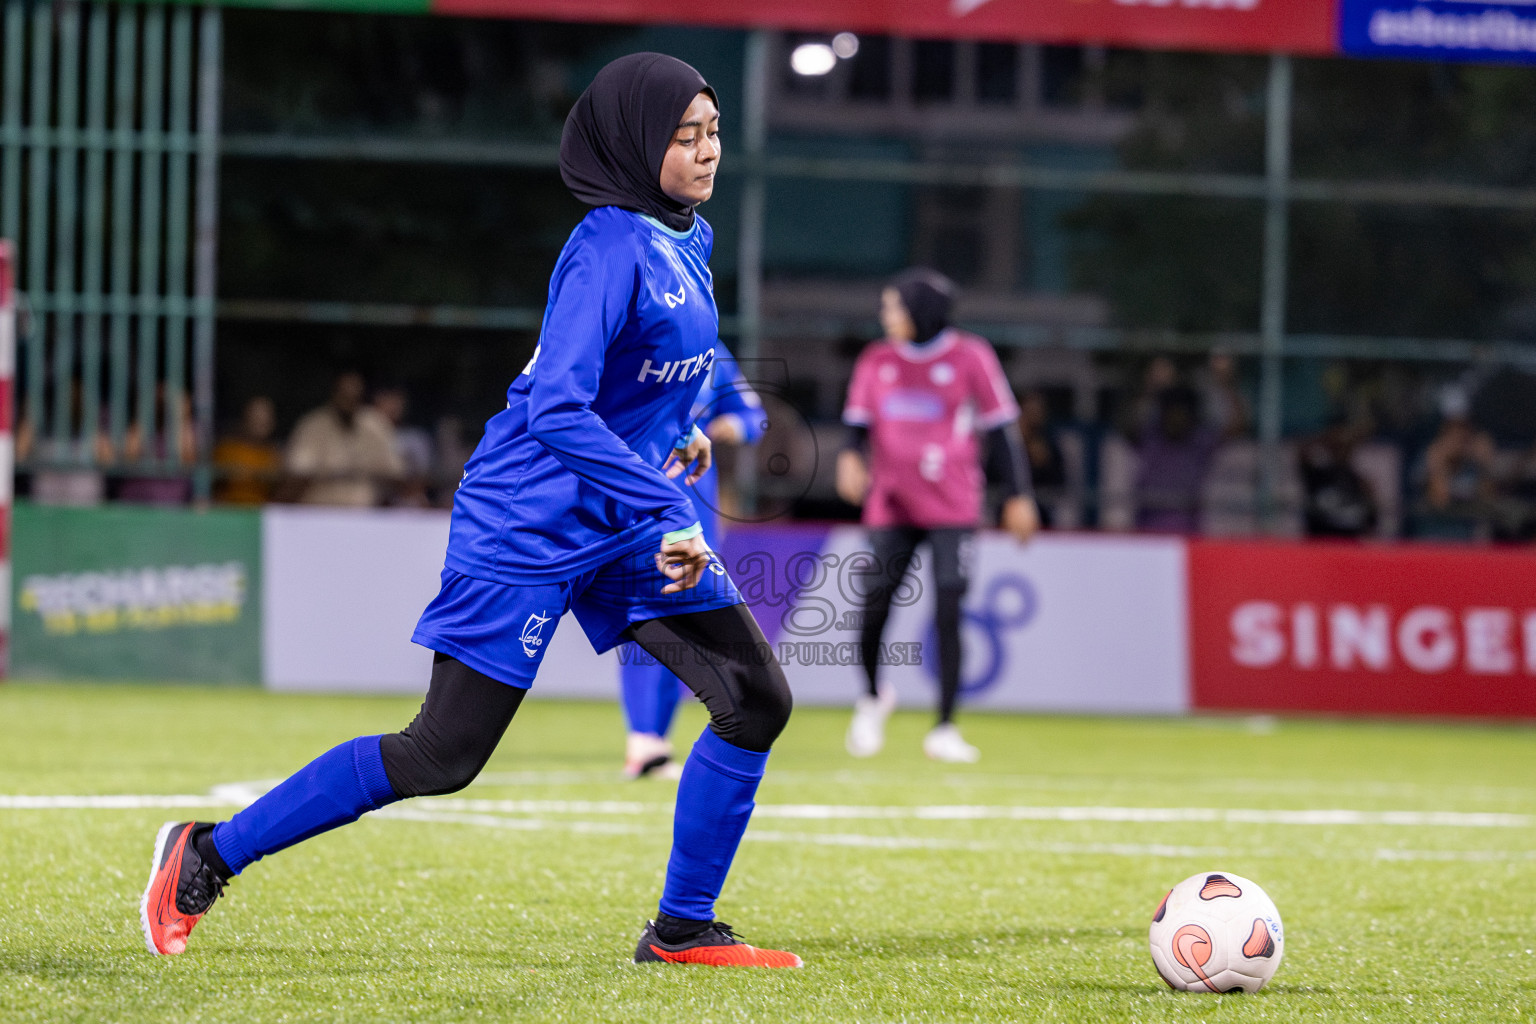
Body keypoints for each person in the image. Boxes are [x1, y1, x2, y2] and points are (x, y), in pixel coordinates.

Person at [140, 53, 801, 970]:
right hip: (529, 516)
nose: (707, 151)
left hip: (623, 513)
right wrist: (666, 496)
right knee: (441, 754)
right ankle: (205, 854)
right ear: (634, 142)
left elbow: (651, 374)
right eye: (684, 136)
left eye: (714, 131)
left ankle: (682, 929)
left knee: (754, 699)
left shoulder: (682, 236)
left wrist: (680, 439)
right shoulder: (608, 243)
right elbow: (560, 407)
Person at [836, 268, 1039, 764]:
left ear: (920, 313)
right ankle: (872, 697)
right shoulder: (877, 359)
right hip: (891, 503)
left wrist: (1018, 494)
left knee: (949, 611)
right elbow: (855, 427)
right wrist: (849, 457)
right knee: (874, 605)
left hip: (953, 505)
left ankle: (945, 726)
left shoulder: (971, 356)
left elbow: (1003, 429)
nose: (885, 316)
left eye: (893, 307)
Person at [620, 352, 763, 778]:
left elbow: (755, 417)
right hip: (635, 503)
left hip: (696, 511)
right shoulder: (633, 340)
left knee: (687, 618)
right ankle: (643, 735)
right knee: (642, 612)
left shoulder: (713, 352)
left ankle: (655, 739)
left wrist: (729, 426)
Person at [282, 371, 403, 506]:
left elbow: (397, 474)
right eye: (345, 396)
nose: (349, 402)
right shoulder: (312, 426)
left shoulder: (375, 425)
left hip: (366, 515)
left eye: (354, 397)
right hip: (319, 513)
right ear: (334, 394)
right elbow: (298, 476)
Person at [1298, 415, 1378, 538]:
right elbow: (1302, 453)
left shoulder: (1359, 481)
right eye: (1337, 446)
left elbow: (1372, 520)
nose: (1341, 449)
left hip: (1349, 546)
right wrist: (1326, 437)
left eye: (1344, 446)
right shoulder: (1317, 474)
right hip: (1320, 542)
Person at [213, 396, 282, 505]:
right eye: (256, 418)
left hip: (261, 514)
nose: (261, 423)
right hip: (228, 511)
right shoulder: (227, 449)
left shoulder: (274, 454)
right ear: (246, 418)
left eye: (266, 419)